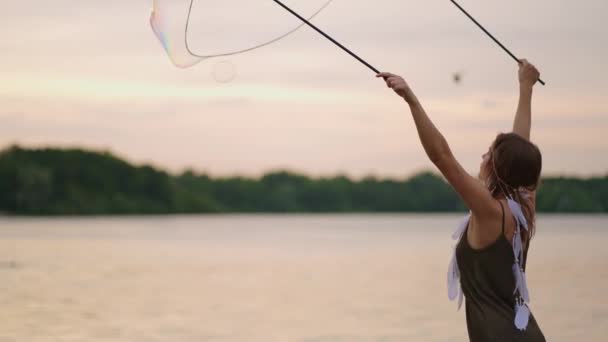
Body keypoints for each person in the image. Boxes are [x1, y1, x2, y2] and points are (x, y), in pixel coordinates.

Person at [378, 60, 546, 341]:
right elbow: (521, 145)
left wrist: (411, 100)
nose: (482, 158)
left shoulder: (489, 211)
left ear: (496, 168)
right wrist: (525, 87)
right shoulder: (524, 205)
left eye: (487, 154)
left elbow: (442, 157)